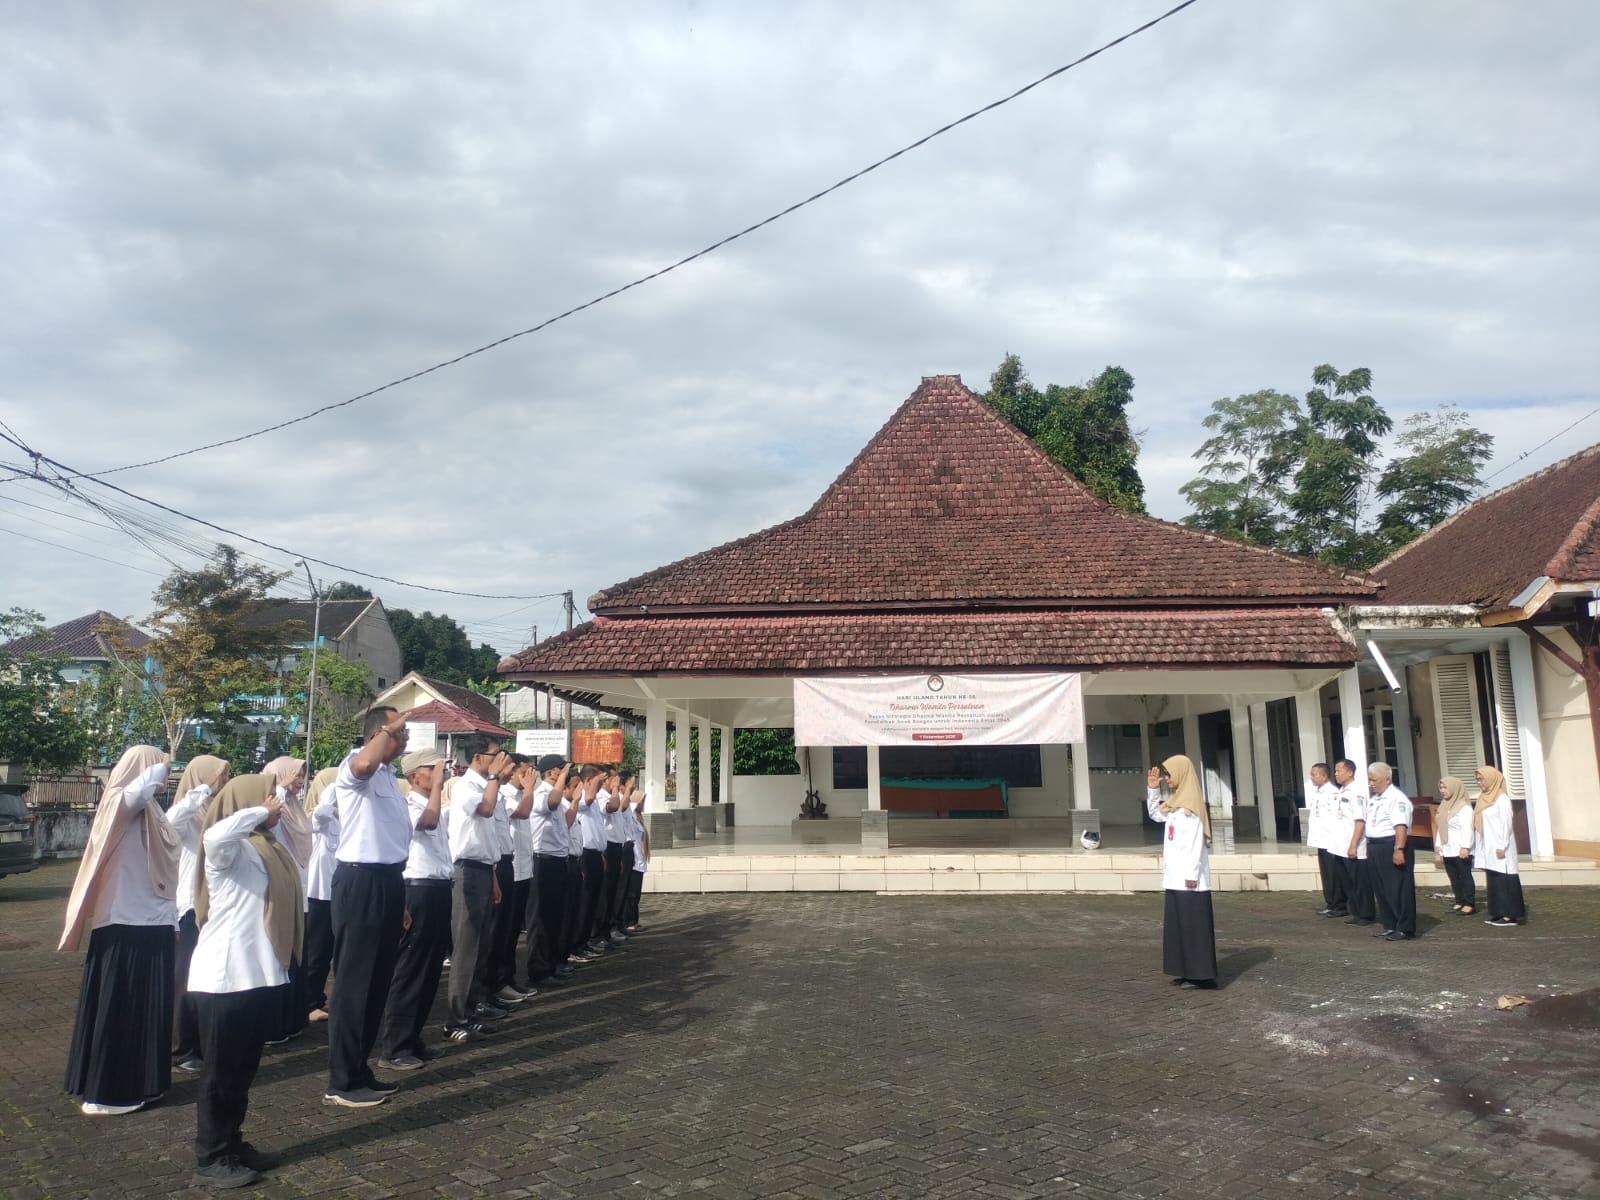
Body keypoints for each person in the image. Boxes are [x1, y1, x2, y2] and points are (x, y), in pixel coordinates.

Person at [187, 774, 303, 1188]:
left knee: (242, 1071)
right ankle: (211, 1157)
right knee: (220, 1074)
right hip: (223, 979)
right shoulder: (230, 849)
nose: (276, 802)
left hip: (255, 976)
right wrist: (260, 811)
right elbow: (215, 834)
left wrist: (270, 813)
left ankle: (233, 1144)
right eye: (266, 794)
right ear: (247, 803)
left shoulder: (265, 846)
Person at [61, 745, 176, 1116]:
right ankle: (107, 1092)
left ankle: (143, 1081)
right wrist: (160, 764)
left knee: (147, 1008)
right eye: (157, 768)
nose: (164, 776)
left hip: (152, 921)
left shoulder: (151, 811)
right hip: (124, 921)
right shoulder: (118, 803)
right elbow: (134, 792)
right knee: (119, 1007)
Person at [323, 707, 412, 1108]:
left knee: (377, 984)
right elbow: (362, 763)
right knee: (354, 985)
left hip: (389, 881)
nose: (406, 738)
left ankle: (359, 1069)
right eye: (399, 732)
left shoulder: (390, 778)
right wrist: (386, 731)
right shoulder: (355, 767)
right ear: (379, 734)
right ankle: (341, 1079)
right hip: (360, 881)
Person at [377, 749, 452, 1069]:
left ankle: (413, 1037)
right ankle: (394, 1045)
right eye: (430, 768)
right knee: (410, 969)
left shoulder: (431, 802)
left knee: (430, 969)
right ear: (412, 776)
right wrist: (438, 787)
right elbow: (427, 823)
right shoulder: (407, 805)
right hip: (417, 889)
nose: (439, 772)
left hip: (437, 888)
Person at [446, 735, 516, 1038]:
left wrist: (494, 875)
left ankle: (473, 1007)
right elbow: (484, 811)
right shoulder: (466, 786)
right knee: (466, 946)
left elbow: (488, 840)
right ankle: (456, 1017)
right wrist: (493, 778)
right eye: (494, 755)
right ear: (477, 758)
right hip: (466, 871)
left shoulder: (487, 785)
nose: (499, 760)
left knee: (482, 944)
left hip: (485, 869)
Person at [167, 755, 230, 1074]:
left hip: (213, 907)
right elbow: (172, 821)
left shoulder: (214, 814)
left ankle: (200, 1041)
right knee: (183, 980)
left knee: (205, 978)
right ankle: (180, 1047)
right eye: (220, 776)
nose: (223, 781)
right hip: (188, 907)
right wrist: (202, 789)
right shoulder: (186, 815)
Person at [1145, 757, 1216, 989]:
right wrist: (1153, 790)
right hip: (1175, 877)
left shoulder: (1192, 808)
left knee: (1194, 926)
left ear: (1182, 774)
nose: (1167, 779)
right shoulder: (1175, 804)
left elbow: (1196, 845)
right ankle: (1186, 970)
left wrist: (1192, 875)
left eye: (1169, 775)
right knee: (1180, 926)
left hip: (1190, 880)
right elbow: (1156, 814)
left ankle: (1202, 975)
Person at [485, 750, 535, 1008]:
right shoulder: (502, 794)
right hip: (505, 868)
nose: (529, 776)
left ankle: (509, 977)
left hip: (522, 868)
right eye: (524, 771)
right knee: (499, 932)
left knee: (513, 930)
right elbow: (523, 813)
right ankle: (496, 982)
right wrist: (529, 790)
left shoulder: (516, 794)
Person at [529, 755, 574, 986]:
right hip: (542, 861)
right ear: (550, 772)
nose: (564, 773)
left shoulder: (554, 794)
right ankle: (539, 969)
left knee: (556, 916)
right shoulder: (541, 794)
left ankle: (553, 963)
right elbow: (553, 803)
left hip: (557, 860)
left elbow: (565, 821)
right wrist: (564, 778)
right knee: (541, 919)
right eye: (561, 769)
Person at [302, 766, 340, 1022]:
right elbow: (321, 815)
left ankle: (321, 998)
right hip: (319, 893)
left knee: (331, 949)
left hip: (337, 892)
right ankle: (311, 1001)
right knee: (317, 951)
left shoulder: (343, 817)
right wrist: (334, 789)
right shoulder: (319, 817)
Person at [1364, 762, 1416, 941]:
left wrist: (1398, 849)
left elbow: (1400, 826)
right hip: (1375, 846)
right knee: (1381, 888)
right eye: (1369, 780)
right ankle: (1390, 924)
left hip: (1391, 844)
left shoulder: (1397, 798)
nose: (1371, 783)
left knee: (1398, 888)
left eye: (1374, 780)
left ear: (1387, 779)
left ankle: (1404, 927)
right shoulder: (1375, 799)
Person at [1475, 766, 1526, 927]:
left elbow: (1506, 823)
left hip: (1500, 845)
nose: (1479, 783)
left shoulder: (1501, 799)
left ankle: (1510, 915)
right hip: (1489, 845)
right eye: (1478, 779)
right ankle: (1498, 911)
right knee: (1495, 879)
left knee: (1505, 879)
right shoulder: (1484, 798)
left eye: (1481, 779)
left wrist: (1502, 845)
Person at [1333, 759, 1376, 928]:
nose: (1336, 774)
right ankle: (1356, 911)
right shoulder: (1342, 790)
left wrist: (1353, 844)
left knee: (1360, 883)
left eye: (1339, 770)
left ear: (1350, 772)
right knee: (1348, 882)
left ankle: (1366, 913)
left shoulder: (1356, 791)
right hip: (1340, 845)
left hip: (1355, 845)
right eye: (1335, 771)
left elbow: (1360, 821)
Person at [1304, 762, 1345, 918]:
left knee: (1333, 875)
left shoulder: (1332, 793)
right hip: (1321, 840)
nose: (1312, 777)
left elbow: (1336, 816)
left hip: (1330, 840)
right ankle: (1331, 903)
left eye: (1314, 774)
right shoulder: (1319, 792)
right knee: (1326, 874)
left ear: (1323, 775)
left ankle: (1339, 905)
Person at [1433, 776, 1476, 916]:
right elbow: (1441, 826)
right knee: (1453, 876)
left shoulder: (1464, 807)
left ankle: (1469, 903)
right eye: (1441, 787)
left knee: (1464, 875)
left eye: (1445, 787)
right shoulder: (1444, 805)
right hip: (1447, 847)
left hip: (1459, 847)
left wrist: (1465, 847)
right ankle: (1459, 900)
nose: (1442, 791)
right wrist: (1438, 844)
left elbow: (1467, 828)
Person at [621, 781, 648, 933]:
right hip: (633, 859)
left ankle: (633, 920)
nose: (643, 804)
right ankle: (629, 921)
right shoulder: (630, 816)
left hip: (639, 859)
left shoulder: (638, 817)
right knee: (630, 893)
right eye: (642, 800)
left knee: (635, 893)